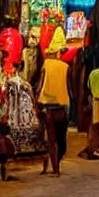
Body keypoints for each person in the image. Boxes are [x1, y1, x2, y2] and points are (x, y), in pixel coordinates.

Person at [37, 48, 70, 176]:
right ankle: (57, 164)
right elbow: (69, 87)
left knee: (51, 140)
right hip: (62, 105)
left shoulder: (46, 65)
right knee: (61, 138)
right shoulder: (65, 67)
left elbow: (40, 84)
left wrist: (36, 101)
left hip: (48, 105)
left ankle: (55, 168)